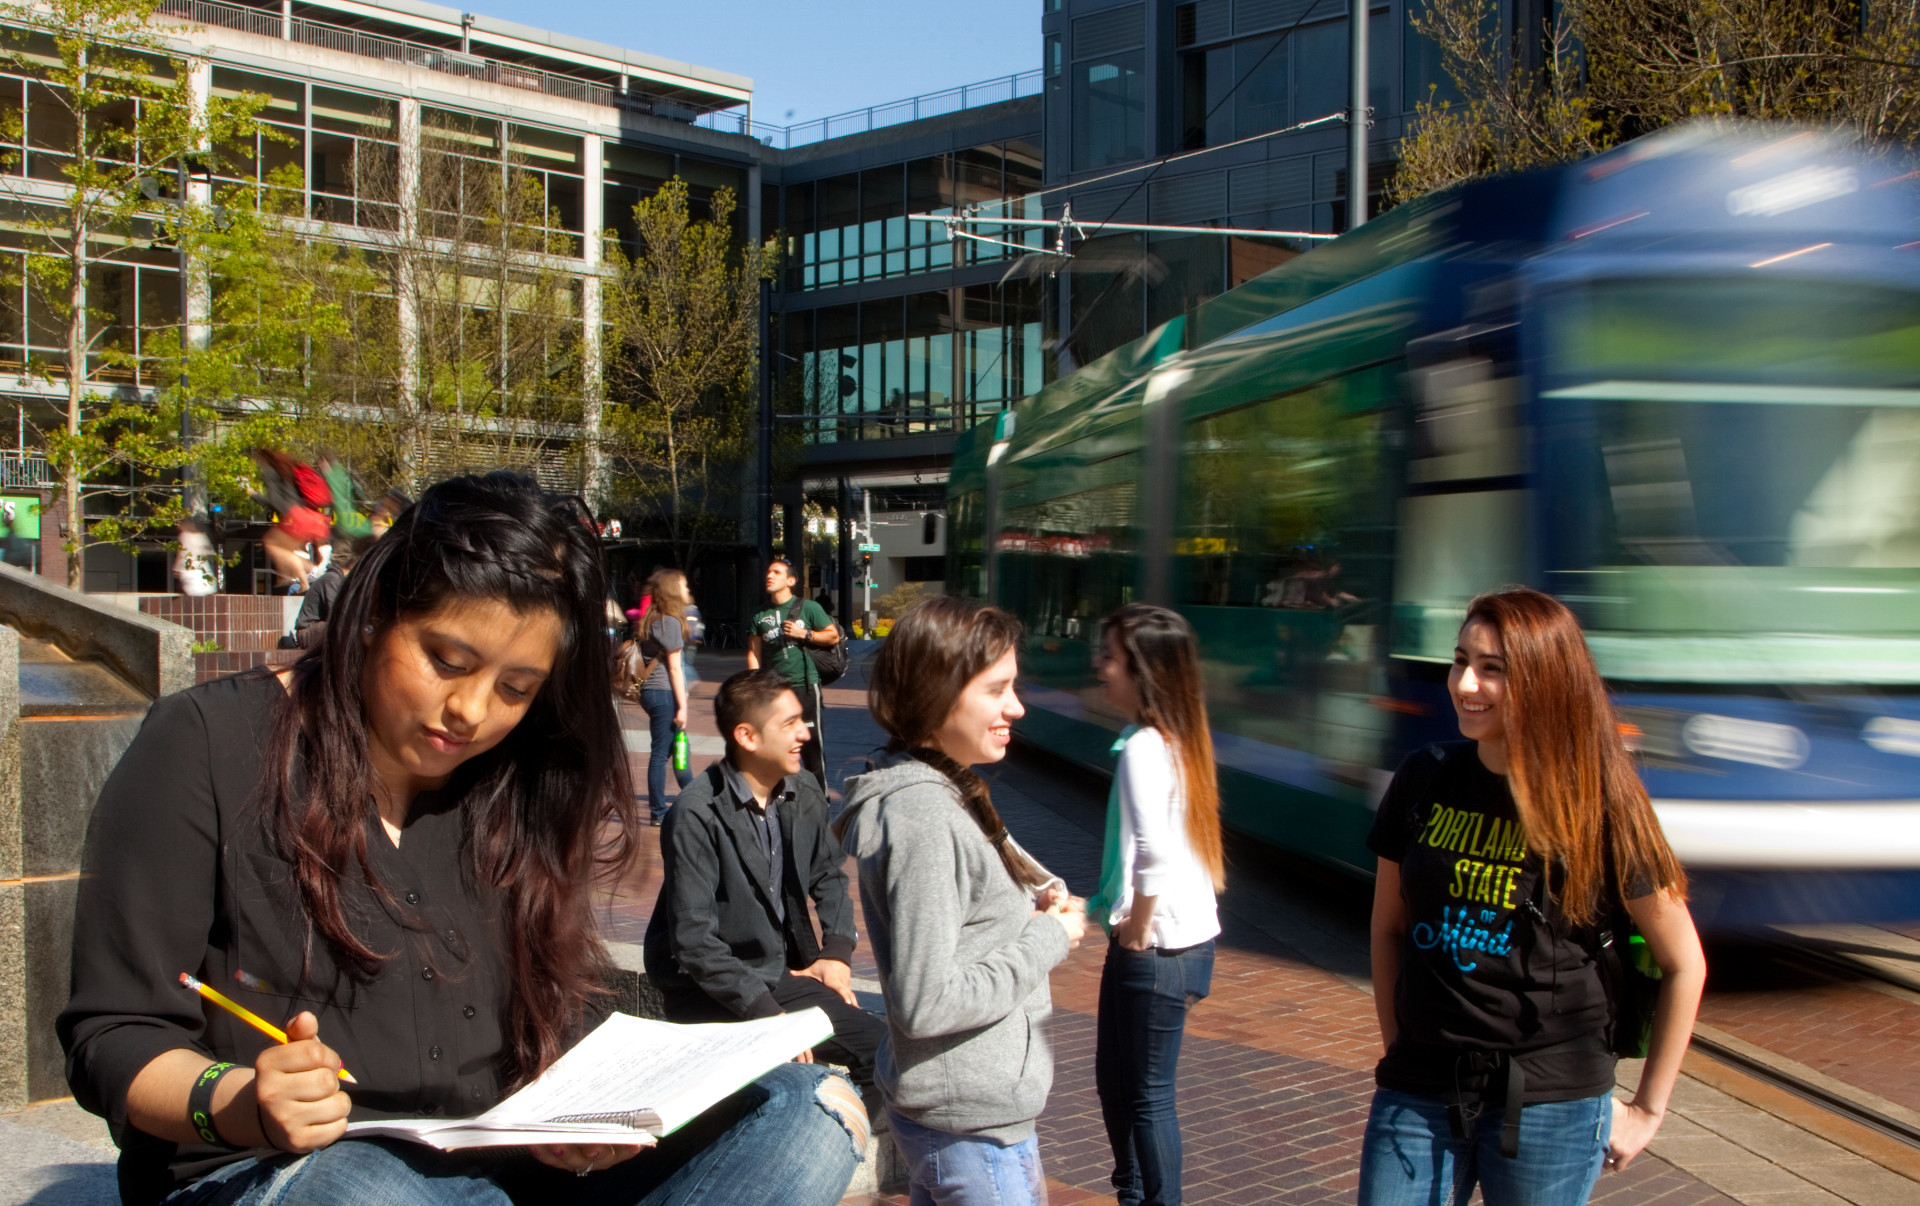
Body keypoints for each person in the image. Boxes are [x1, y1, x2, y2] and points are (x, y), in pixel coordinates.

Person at [58, 472, 865, 1206]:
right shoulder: (205, 744)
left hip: (496, 1162)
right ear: (375, 615)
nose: (471, 713)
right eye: (445, 660)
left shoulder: (512, 776)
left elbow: (541, 1009)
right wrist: (238, 1101)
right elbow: (115, 1036)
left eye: (516, 688)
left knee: (807, 1110)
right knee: (370, 1194)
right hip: (282, 1174)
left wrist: (580, 1110)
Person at [1360, 586, 1706, 1206]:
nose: (1466, 683)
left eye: (1493, 669)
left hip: (1552, 1100)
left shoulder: (1598, 802)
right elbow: (1388, 927)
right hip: (1420, 1085)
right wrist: (1399, 1048)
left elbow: (1683, 961)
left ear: (1545, 681)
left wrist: (1649, 1109)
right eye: (1461, 660)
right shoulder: (1424, 775)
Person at [838, 596, 1089, 1206]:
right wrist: (1048, 938)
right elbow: (927, 1003)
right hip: (970, 1132)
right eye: (997, 688)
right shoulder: (926, 812)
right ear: (937, 692)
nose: (1017, 707)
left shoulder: (941, 792)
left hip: (963, 1119)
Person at [643, 669, 885, 1097]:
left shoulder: (803, 788)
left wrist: (837, 952)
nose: (804, 735)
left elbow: (828, 873)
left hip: (778, 973)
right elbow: (693, 940)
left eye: (802, 721)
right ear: (747, 737)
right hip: (712, 990)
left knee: (885, 1052)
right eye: (789, 723)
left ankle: (845, 1138)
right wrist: (767, 1014)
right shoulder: (696, 814)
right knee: (853, 1066)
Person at [1086, 604, 1225, 1206]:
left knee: (1143, 1094)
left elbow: (1153, 855)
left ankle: (1148, 1198)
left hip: (1157, 947)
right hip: (1183, 946)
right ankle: (1135, 1194)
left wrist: (1136, 929)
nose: (1100, 667)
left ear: (1145, 672)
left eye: (1111, 657)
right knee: (1122, 1085)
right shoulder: (1181, 739)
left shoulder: (1146, 745)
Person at [746, 558, 838, 787]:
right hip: (774, 690)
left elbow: (832, 636)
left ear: (790, 580)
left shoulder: (809, 608)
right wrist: (755, 686)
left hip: (804, 687)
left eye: (776, 572)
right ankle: (784, 798)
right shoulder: (759, 615)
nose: (769, 576)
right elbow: (754, 653)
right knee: (777, 746)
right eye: (768, 572)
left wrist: (804, 634)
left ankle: (821, 799)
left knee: (812, 748)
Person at [634, 569, 696, 825]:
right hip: (664, 692)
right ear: (673, 589)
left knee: (678, 747)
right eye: (683, 585)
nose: (687, 590)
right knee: (661, 752)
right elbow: (674, 667)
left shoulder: (651, 619)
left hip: (652, 691)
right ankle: (658, 812)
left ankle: (693, 795)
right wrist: (683, 706)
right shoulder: (669, 621)